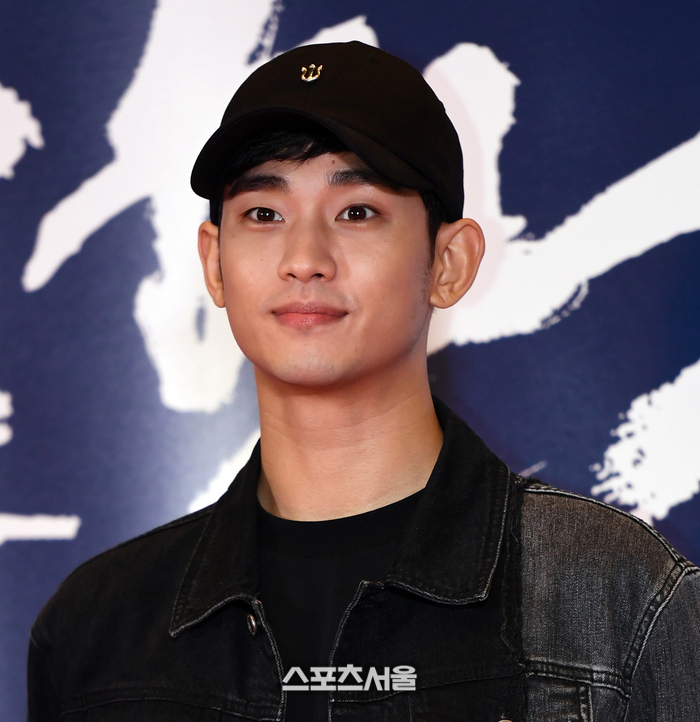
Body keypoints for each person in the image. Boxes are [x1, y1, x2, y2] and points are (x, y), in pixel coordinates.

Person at [27, 41, 700, 722]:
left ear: (449, 262)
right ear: (215, 262)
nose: (304, 259)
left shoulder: (619, 598)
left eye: (357, 212)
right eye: (263, 214)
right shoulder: (96, 630)